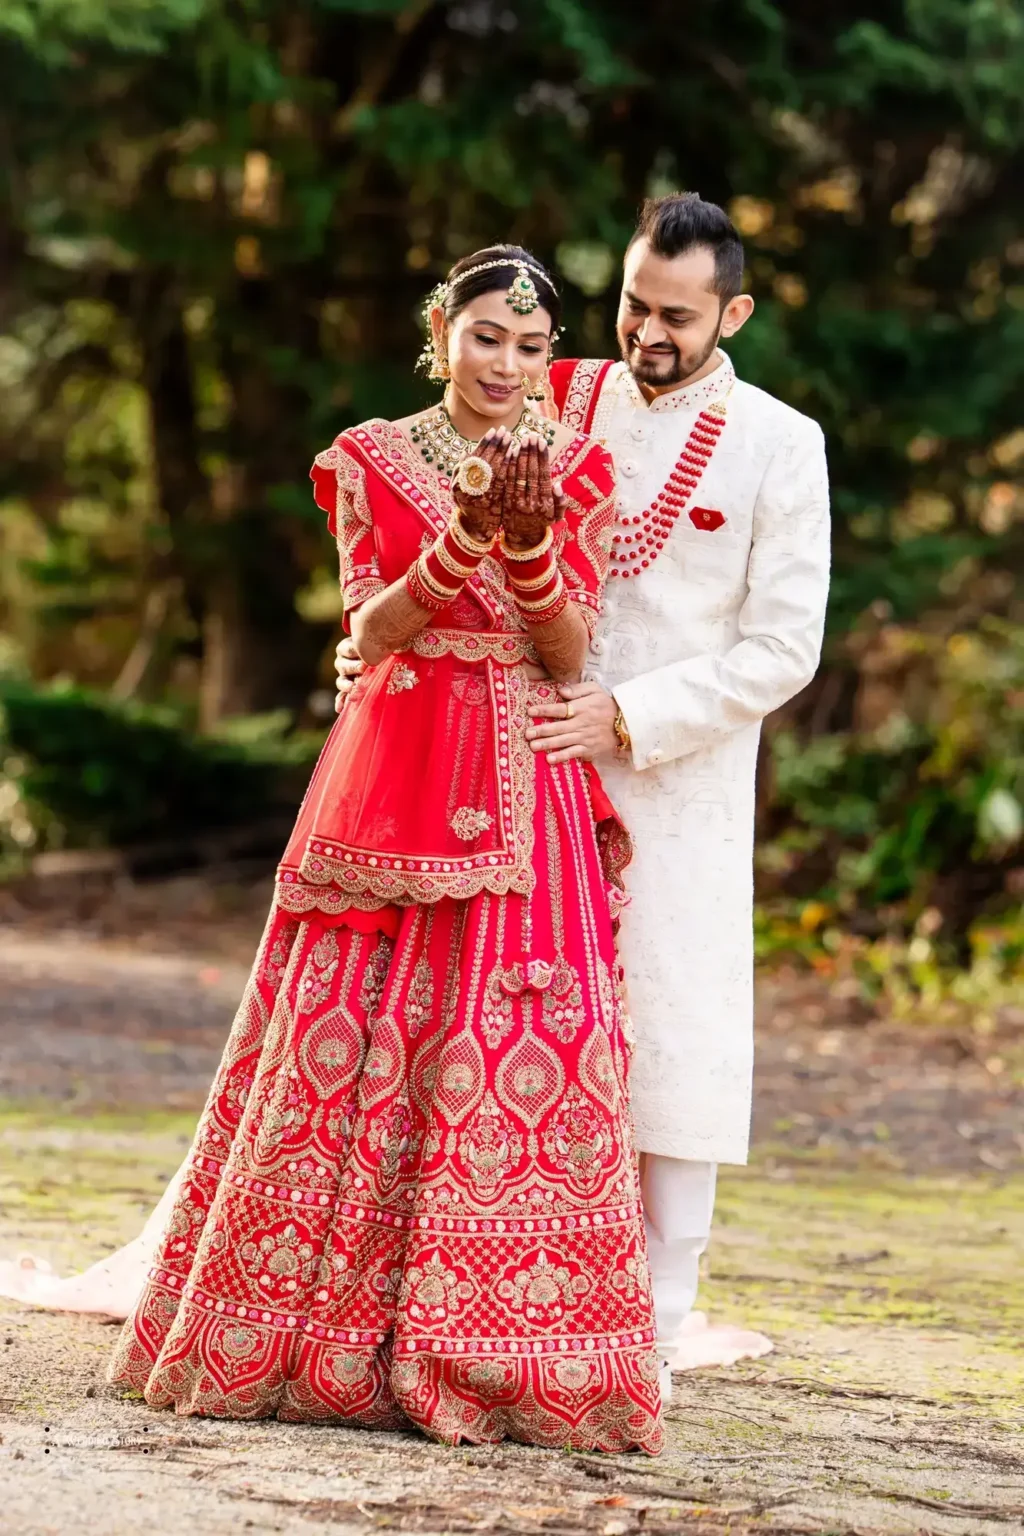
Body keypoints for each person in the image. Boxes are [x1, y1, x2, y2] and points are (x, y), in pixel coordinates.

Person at [85, 247, 660, 1451]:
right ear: (441, 329)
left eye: (531, 345)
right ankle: (311, 1341)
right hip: (396, 760)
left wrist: (529, 542)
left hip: (524, 771)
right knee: (348, 1030)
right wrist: (459, 536)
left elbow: (566, 652)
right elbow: (371, 621)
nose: (507, 365)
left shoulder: (582, 464)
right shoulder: (368, 457)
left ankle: (511, 1357)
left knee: (517, 1034)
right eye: (486, 337)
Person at [336, 194, 831, 1383]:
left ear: (735, 313)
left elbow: (784, 651)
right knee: (498, 1031)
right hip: (509, 768)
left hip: (670, 781)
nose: (644, 334)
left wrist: (626, 715)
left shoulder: (779, 441)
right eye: (630, 306)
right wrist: (368, 640)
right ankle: (468, 1291)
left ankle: (650, 1326)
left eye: (675, 316)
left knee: (666, 1040)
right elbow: (425, 534)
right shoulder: (561, 392)